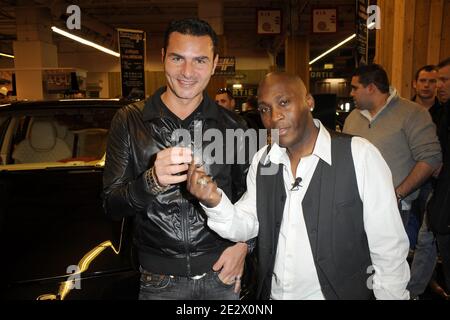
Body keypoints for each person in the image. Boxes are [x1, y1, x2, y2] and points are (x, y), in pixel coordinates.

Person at [187, 72, 411, 300]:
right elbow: (247, 224)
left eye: (284, 102)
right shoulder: (264, 161)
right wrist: (213, 200)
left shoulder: (359, 155)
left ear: (309, 101)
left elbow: (388, 248)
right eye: (264, 109)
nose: (274, 117)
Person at [103, 18, 251, 300]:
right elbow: (112, 205)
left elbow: (253, 200)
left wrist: (244, 246)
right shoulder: (130, 121)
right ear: (162, 58)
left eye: (200, 61)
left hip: (223, 274)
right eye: (177, 58)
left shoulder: (234, 126)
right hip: (159, 281)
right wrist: (151, 181)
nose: (187, 72)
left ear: (215, 63)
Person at [343, 64, 442, 228]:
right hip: (355, 206)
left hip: (394, 210)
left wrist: (397, 195)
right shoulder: (352, 118)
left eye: (355, 88)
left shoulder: (413, 113)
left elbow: (430, 158)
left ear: (371, 88)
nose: (351, 93)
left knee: (388, 254)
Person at [409, 58, 450, 299]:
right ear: (415, 84)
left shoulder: (441, 112)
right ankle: (416, 288)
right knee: (423, 239)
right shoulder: (411, 112)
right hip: (419, 180)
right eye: (425, 81)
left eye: (440, 80)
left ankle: (420, 286)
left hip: (439, 188)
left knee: (428, 238)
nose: (433, 86)